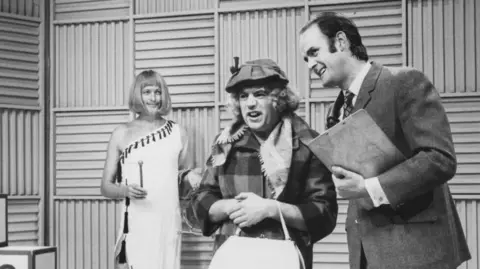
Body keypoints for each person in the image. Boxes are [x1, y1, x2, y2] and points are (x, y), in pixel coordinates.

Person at [299, 12, 471, 269]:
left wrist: (370, 188)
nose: (310, 64)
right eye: (305, 58)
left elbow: (440, 159)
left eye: (314, 52)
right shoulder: (337, 111)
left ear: (342, 41)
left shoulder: (403, 82)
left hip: (416, 252)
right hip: (368, 254)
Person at [192, 58, 338, 269]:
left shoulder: (308, 143)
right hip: (233, 257)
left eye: (259, 94)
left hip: (283, 259)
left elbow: (323, 213)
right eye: (243, 96)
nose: (250, 103)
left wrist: (270, 208)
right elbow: (200, 201)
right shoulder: (225, 143)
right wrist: (231, 206)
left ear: (279, 99)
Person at [100, 70, 202, 269]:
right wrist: (125, 190)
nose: (154, 98)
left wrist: (194, 179)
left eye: (158, 92)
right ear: (137, 95)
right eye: (147, 92)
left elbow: (185, 183)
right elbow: (105, 187)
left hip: (167, 223)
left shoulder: (178, 133)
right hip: (136, 222)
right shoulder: (121, 133)